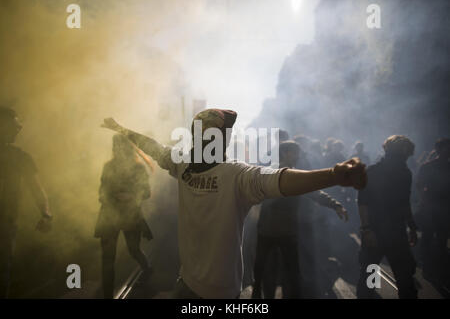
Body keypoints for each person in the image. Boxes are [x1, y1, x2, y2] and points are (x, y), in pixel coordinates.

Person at [101, 108, 367, 299]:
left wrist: (333, 175)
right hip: (186, 282)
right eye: (196, 134)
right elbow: (153, 146)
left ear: (220, 141)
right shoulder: (182, 164)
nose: (198, 140)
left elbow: (280, 179)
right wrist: (121, 129)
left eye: (205, 136)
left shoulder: (237, 175)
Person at [251, 141, 348, 299]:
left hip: (277, 230)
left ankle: (262, 296)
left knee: (272, 270)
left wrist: (334, 204)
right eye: (295, 152)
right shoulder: (272, 173)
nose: (298, 156)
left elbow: (314, 192)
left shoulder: (279, 172)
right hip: (276, 231)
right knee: (271, 270)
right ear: (285, 153)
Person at [357, 135, 418, 299]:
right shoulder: (405, 173)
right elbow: (405, 203)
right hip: (393, 231)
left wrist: (367, 229)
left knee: (371, 273)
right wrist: (411, 227)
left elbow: (362, 202)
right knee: (404, 277)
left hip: (379, 230)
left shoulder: (372, 171)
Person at [0, 106, 52, 298]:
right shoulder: (20, 156)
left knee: (3, 270)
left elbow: (37, 189)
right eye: (15, 124)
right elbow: (37, 189)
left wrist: (46, 213)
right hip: (7, 224)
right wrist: (46, 214)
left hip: (6, 224)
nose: (19, 128)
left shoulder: (20, 157)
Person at [95, 134, 153, 299]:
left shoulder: (138, 168)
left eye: (121, 146)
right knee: (107, 259)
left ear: (129, 148)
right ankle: (107, 295)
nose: (118, 149)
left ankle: (148, 269)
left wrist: (130, 197)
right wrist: (109, 198)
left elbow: (146, 192)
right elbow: (102, 190)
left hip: (131, 215)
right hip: (109, 215)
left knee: (134, 250)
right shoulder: (109, 167)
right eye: (116, 146)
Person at [416, 138, 450, 285]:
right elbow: (419, 185)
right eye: (446, 148)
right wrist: (424, 202)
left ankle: (438, 268)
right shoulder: (428, 166)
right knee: (428, 237)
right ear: (438, 149)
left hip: (446, 207)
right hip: (431, 207)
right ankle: (427, 266)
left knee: (442, 239)